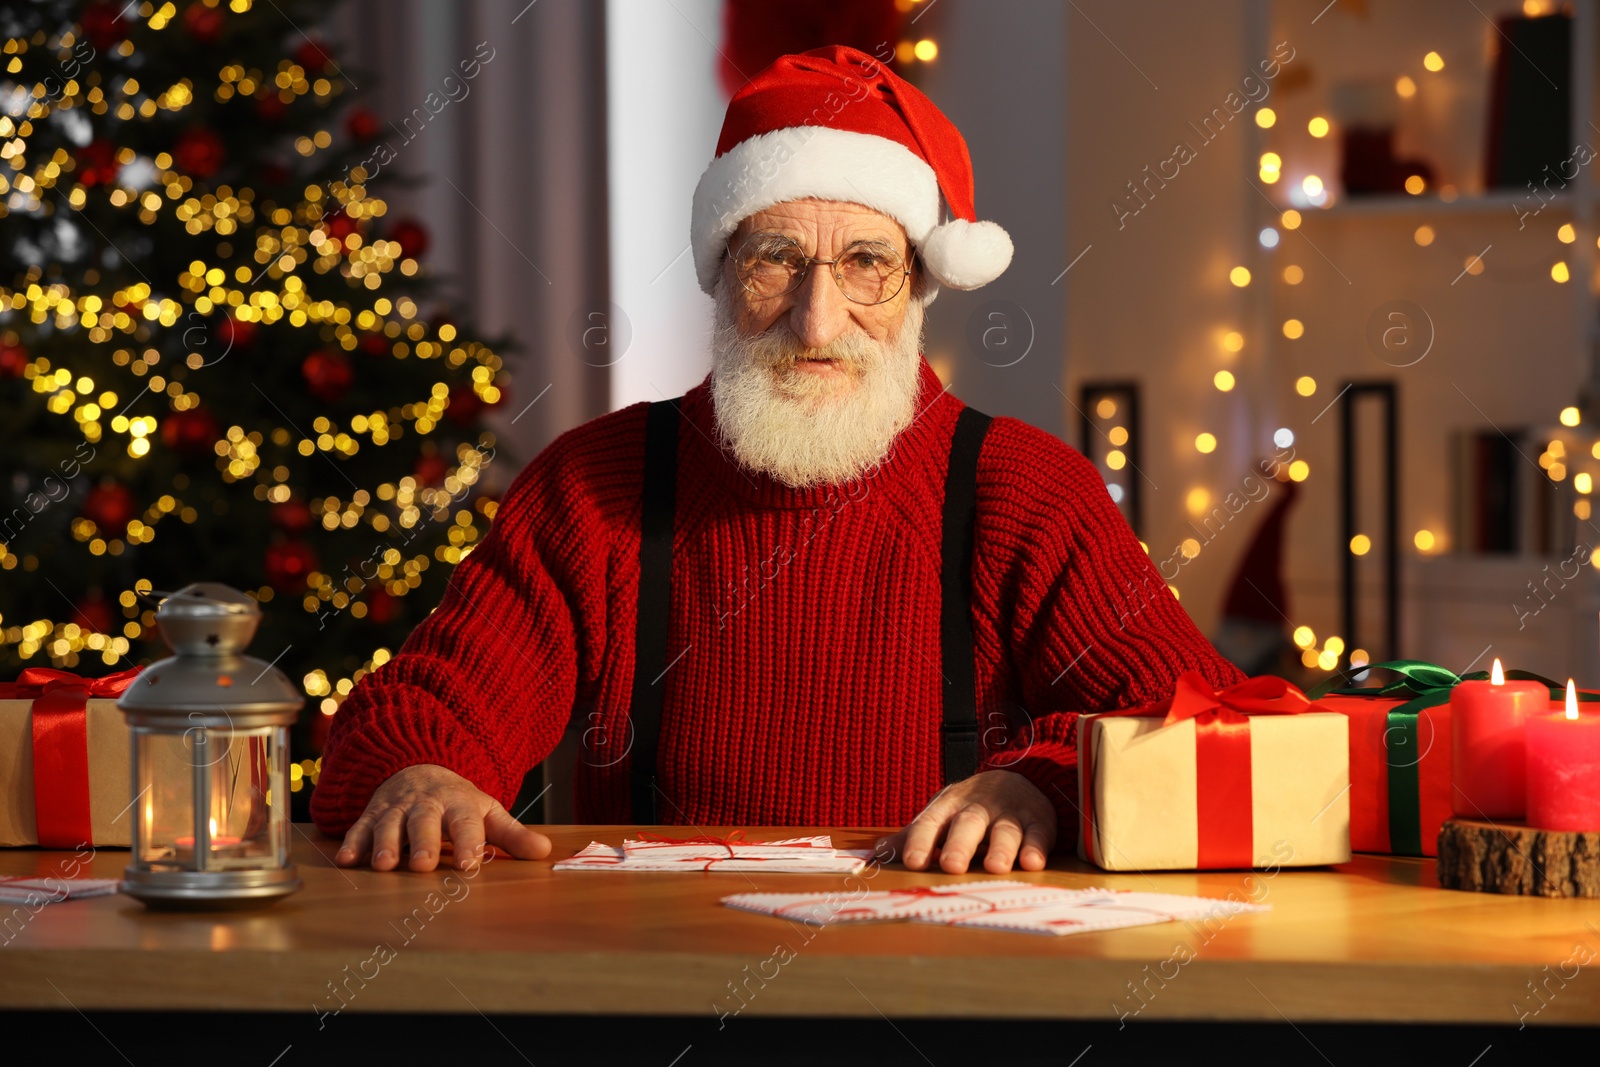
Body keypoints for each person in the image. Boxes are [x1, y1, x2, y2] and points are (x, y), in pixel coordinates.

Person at [311, 45, 1242, 876]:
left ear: (919, 282)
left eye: (867, 262)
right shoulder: (595, 485)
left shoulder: (1027, 494)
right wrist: (422, 772)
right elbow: (419, 712)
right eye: (777, 260)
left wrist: (1043, 782)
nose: (818, 320)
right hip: (655, 986)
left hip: (950, 997)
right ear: (722, 275)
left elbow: (1201, 726)